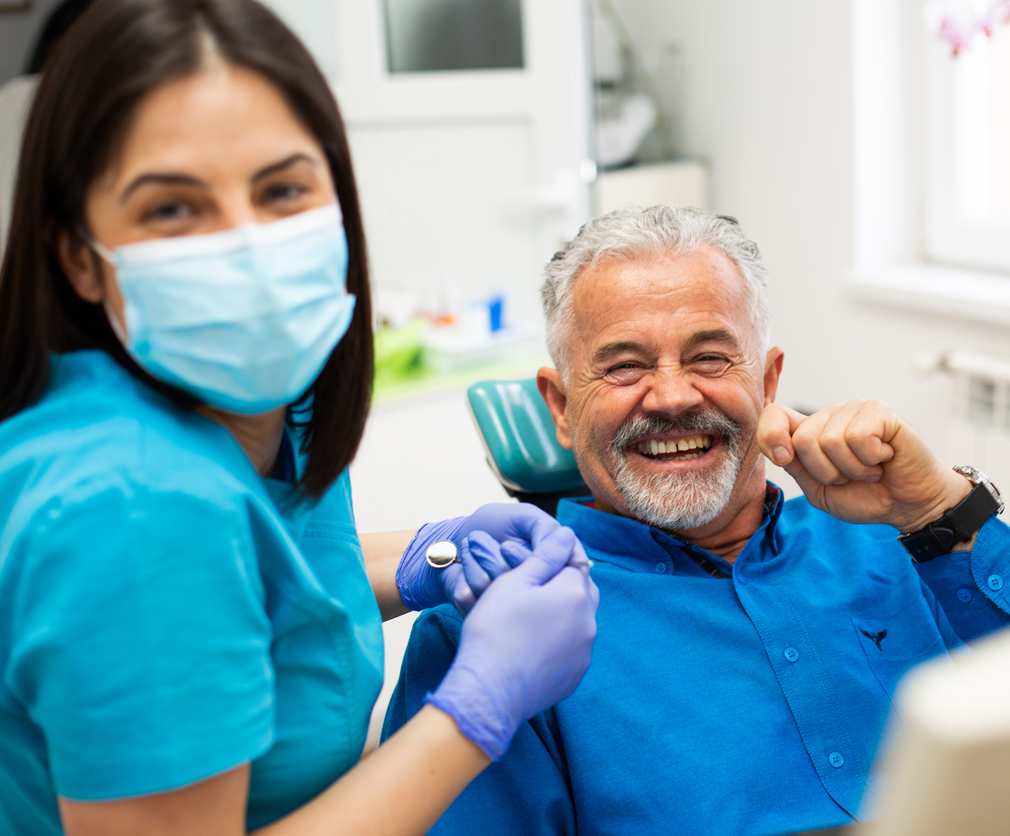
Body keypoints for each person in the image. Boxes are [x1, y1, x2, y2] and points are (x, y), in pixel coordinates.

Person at [0, 1, 598, 835]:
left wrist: (437, 551)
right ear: (78, 256)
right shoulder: (131, 505)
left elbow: (254, 587)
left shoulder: (276, 395)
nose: (245, 246)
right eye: (173, 208)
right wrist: (478, 708)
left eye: (282, 188)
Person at [384, 205, 1010, 835]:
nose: (670, 396)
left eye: (710, 358)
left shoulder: (909, 541)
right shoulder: (497, 626)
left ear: (769, 380)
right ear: (562, 406)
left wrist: (940, 510)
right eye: (624, 367)